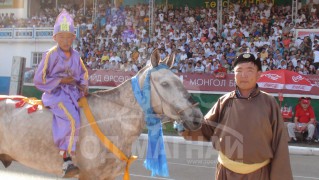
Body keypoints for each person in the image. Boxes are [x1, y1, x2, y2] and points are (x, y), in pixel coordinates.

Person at [175, 53, 292, 179]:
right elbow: (207, 129)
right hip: (225, 173)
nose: (244, 75)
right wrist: (186, 124)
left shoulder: (269, 103)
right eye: (239, 70)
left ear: (258, 74)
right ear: (234, 75)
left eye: (250, 70)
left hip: (258, 174)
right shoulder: (224, 101)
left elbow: (280, 143)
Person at [33, 10, 88, 178]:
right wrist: (60, 81)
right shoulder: (50, 54)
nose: (65, 41)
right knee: (72, 119)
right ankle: (66, 159)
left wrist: (83, 86)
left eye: (69, 37)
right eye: (61, 37)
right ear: (55, 38)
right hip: (55, 94)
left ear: (73, 38)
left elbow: (83, 74)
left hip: (73, 93)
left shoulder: (77, 55)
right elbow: (39, 79)